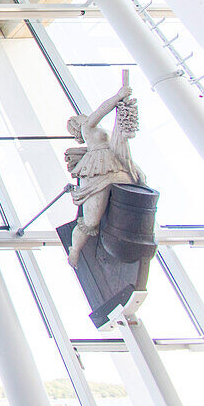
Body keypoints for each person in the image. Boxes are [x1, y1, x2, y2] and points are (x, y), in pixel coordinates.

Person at [66, 81, 145, 267]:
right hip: (97, 168)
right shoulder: (88, 128)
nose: (83, 117)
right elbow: (103, 109)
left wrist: (133, 165)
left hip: (116, 162)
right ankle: (75, 249)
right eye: (79, 118)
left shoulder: (101, 130)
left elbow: (118, 144)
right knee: (91, 220)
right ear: (79, 126)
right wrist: (118, 97)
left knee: (136, 190)